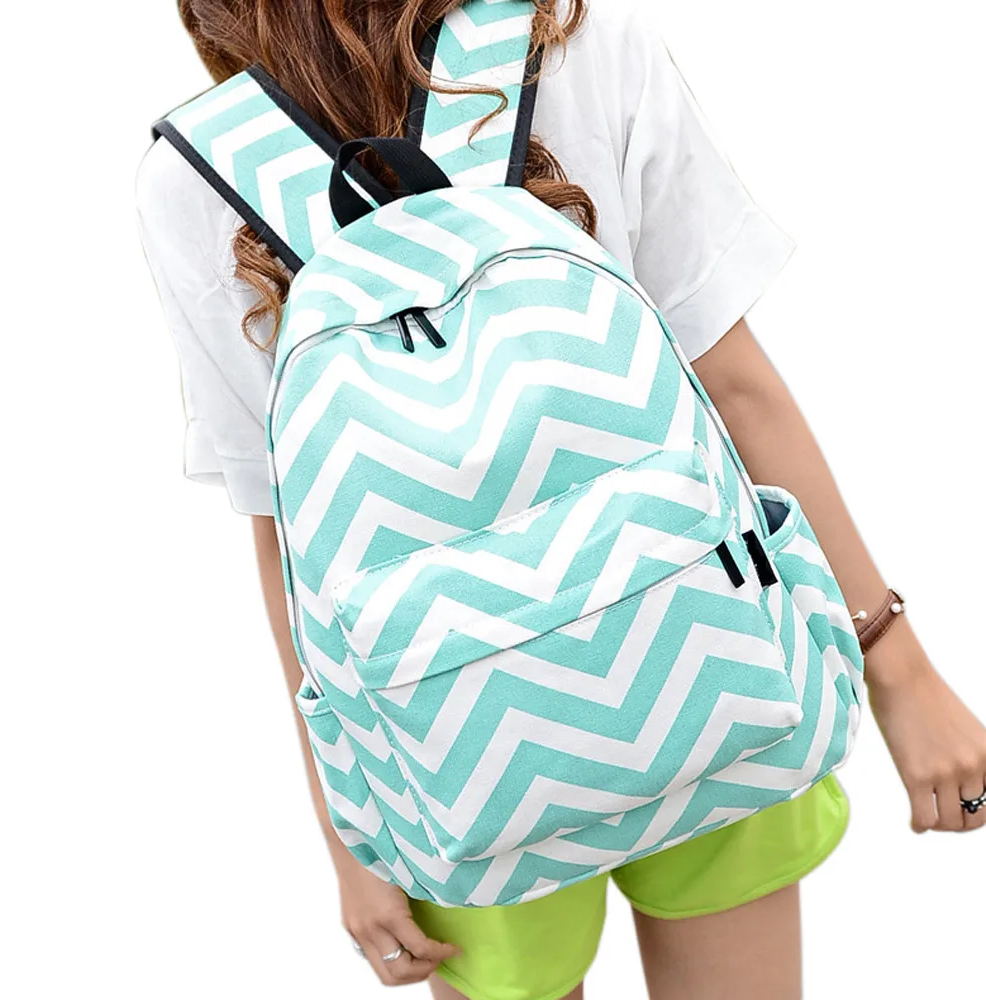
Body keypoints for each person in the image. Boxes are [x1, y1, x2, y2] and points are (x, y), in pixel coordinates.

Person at [136, 2, 986, 998]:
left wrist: (354, 835)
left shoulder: (198, 171)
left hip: (453, 736)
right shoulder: (577, 46)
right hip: (700, 656)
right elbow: (734, 387)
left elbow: (290, 535)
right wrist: (897, 669)